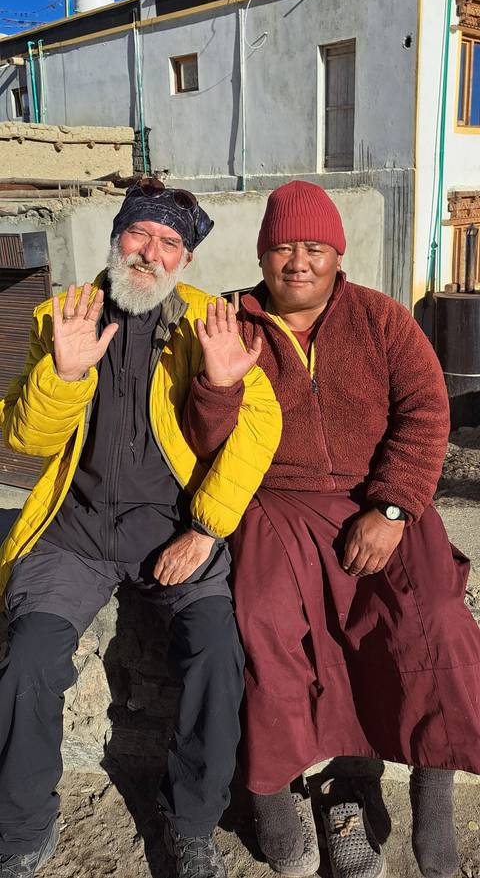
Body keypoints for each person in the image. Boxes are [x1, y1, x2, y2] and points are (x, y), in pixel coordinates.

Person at [184, 180, 480, 878]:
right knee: (263, 625)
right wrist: (219, 384)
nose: (298, 261)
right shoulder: (233, 324)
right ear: (262, 255)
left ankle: (428, 812)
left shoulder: (380, 319)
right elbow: (201, 441)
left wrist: (394, 506)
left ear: (336, 253)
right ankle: (278, 809)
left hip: (379, 499)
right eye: (282, 247)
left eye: (314, 246)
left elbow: (426, 411)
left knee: (433, 617)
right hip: (276, 507)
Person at [0, 177, 281, 878]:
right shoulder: (65, 314)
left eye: (170, 243)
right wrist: (63, 375)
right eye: (140, 234)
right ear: (117, 233)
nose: (150, 253)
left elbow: (259, 425)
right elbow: (25, 440)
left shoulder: (205, 322)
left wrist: (208, 528)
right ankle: (24, 825)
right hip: (76, 535)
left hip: (175, 531)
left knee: (218, 654)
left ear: (185, 260)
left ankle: (189, 822)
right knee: (29, 654)